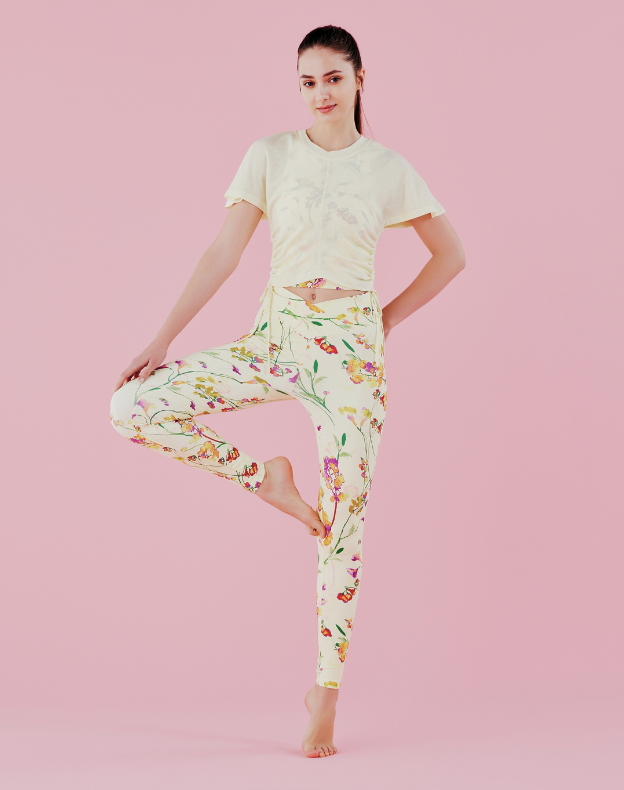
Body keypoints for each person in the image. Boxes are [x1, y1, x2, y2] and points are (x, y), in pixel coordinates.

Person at [109, 24, 465, 758]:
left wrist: (384, 320)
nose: (320, 94)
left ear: (360, 79)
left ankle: (325, 694)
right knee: (131, 406)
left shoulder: (388, 168)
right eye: (307, 82)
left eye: (333, 78)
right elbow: (224, 251)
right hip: (277, 342)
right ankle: (264, 480)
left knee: (344, 520)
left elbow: (451, 255)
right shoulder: (270, 155)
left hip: (352, 361)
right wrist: (163, 337)